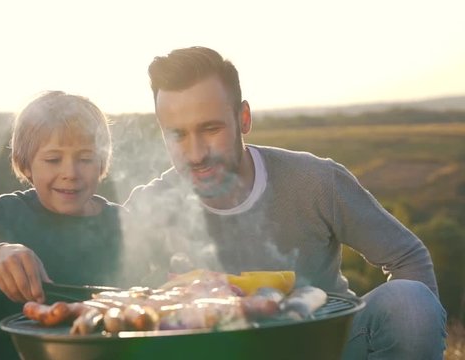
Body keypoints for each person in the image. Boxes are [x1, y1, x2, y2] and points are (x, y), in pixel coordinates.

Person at [123, 46, 447, 359]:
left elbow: (407, 257)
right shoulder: (148, 206)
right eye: (177, 134)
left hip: (328, 347)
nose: (195, 154)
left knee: (410, 303)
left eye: (210, 128)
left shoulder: (316, 181)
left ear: (244, 118)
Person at [0, 91, 126, 359]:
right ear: (27, 165)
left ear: (102, 162)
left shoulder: (123, 226)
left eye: (85, 158)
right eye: (53, 160)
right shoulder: (5, 214)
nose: (70, 173)